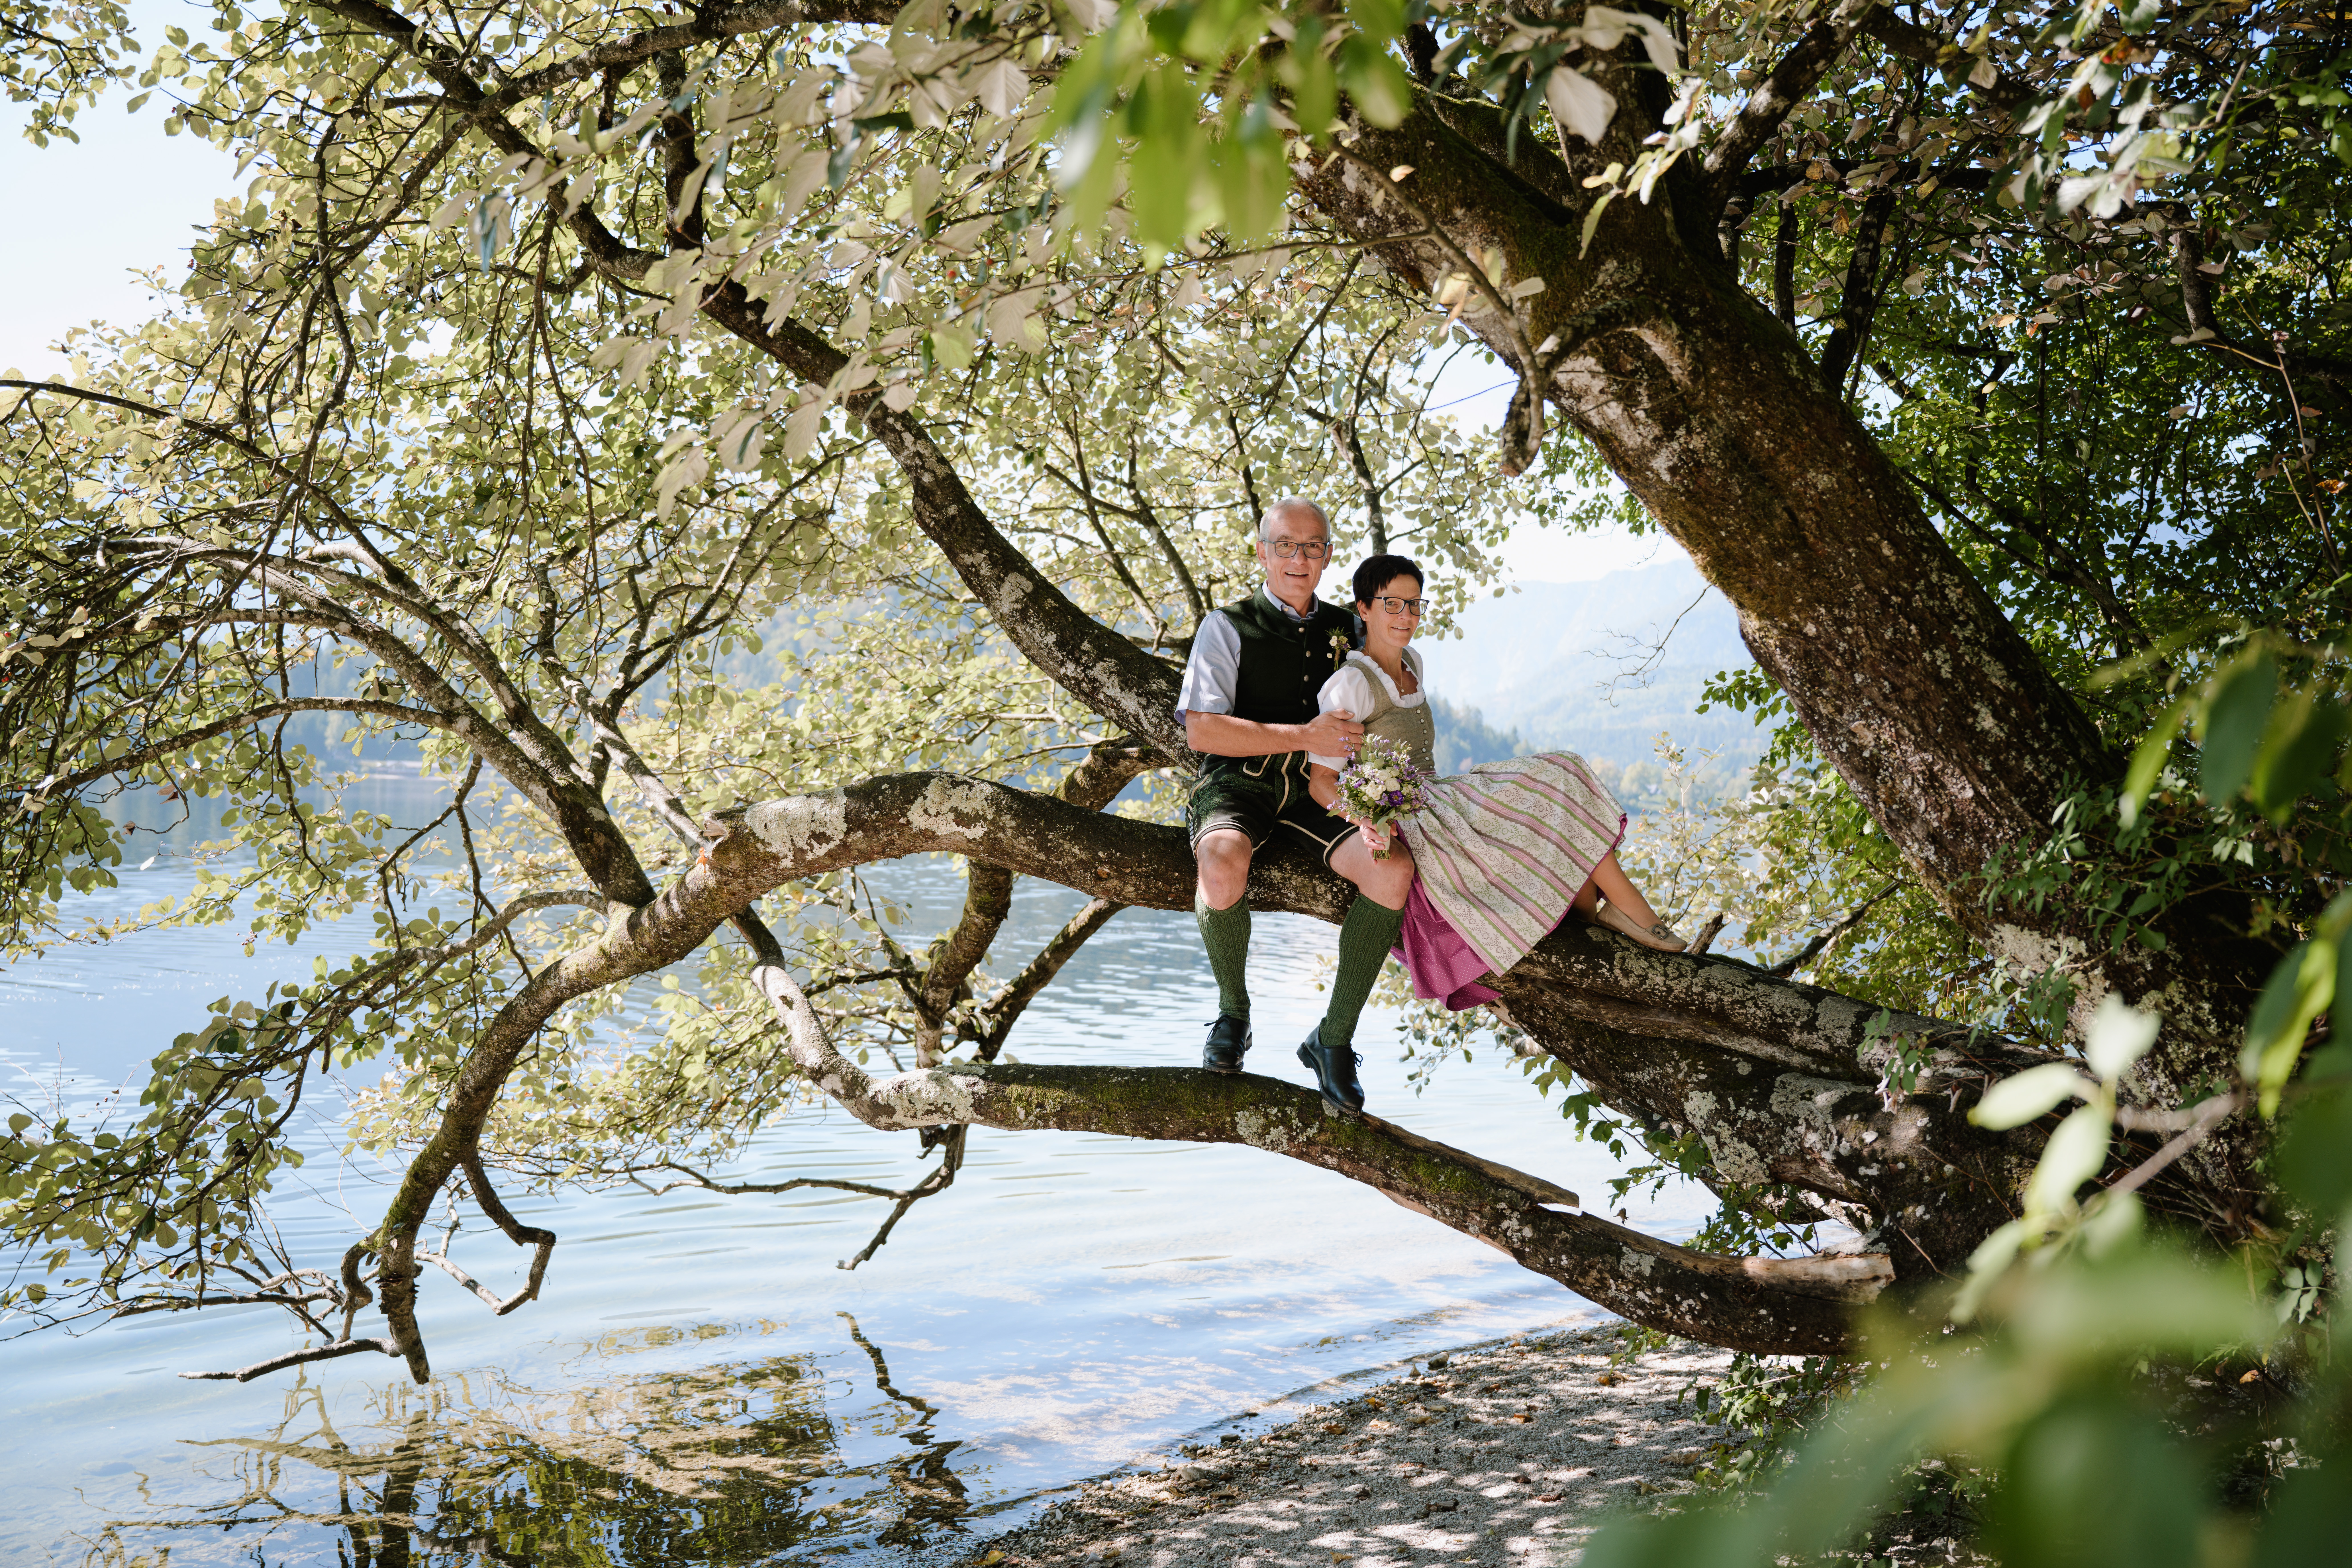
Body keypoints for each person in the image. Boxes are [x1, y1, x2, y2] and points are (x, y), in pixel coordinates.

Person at [1306, 553, 1685, 1014]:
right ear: (1364, 609)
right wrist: (1366, 819)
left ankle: (1607, 914)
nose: (1406, 616)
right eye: (1392, 604)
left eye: (1414, 604)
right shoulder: (1349, 684)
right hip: (1407, 816)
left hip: (1439, 794)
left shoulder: (1414, 663)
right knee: (1552, 789)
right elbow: (1322, 781)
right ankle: (1629, 914)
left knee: (1559, 773)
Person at [1176, 498, 1415, 1117]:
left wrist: (1384, 793)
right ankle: (1234, 1013)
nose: (1299, 558)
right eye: (1286, 545)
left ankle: (1332, 1039)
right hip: (1239, 784)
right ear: (1263, 552)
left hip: (1325, 791)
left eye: (1313, 546)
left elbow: (1392, 695)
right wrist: (1301, 736)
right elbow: (1202, 732)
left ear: (1329, 555)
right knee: (1222, 861)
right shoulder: (1226, 626)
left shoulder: (1352, 627)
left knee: (1393, 870)